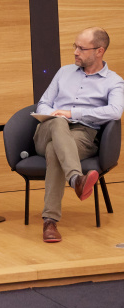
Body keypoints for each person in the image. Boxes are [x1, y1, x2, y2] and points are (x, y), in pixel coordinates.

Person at [34, 27, 124, 243]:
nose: (75, 52)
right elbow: (43, 103)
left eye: (82, 48)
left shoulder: (113, 81)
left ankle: (50, 221)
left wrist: (73, 113)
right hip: (48, 129)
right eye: (75, 46)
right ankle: (76, 179)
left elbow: (115, 111)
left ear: (99, 51)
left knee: (55, 151)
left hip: (83, 134)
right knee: (58, 124)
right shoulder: (64, 72)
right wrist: (56, 114)